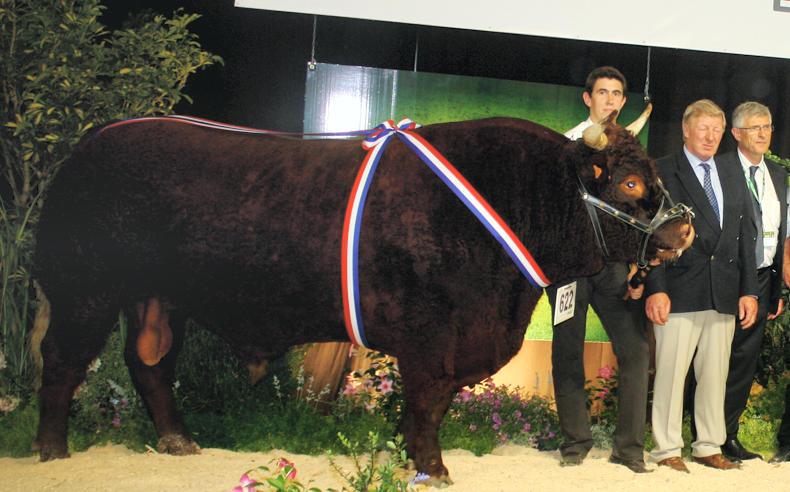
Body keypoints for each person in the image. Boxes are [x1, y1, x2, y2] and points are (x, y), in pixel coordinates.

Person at [547, 66, 651, 473]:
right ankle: (575, 442)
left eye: (617, 94)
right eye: (602, 92)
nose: (610, 100)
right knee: (567, 352)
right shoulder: (565, 147)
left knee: (636, 351)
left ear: (623, 102)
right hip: (569, 272)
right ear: (587, 98)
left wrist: (638, 269)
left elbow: (641, 214)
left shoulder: (632, 154)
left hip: (612, 271)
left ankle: (629, 449)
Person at [645, 99, 759, 473]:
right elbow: (650, 236)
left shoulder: (731, 172)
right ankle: (666, 449)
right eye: (703, 128)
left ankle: (709, 445)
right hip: (677, 290)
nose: (710, 137)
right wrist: (656, 288)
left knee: (714, 374)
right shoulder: (663, 171)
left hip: (723, 290)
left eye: (716, 130)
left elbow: (745, 235)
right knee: (671, 373)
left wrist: (749, 290)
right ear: (685, 130)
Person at [718, 102, 787, 462]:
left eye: (767, 126)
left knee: (744, 361)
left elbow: (778, 234)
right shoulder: (721, 169)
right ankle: (704, 435)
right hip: (725, 278)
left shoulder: (776, 173)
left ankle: (728, 435)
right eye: (755, 127)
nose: (763, 134)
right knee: (714, 358)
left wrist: (775, 290)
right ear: (736, 133)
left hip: (761, 279)